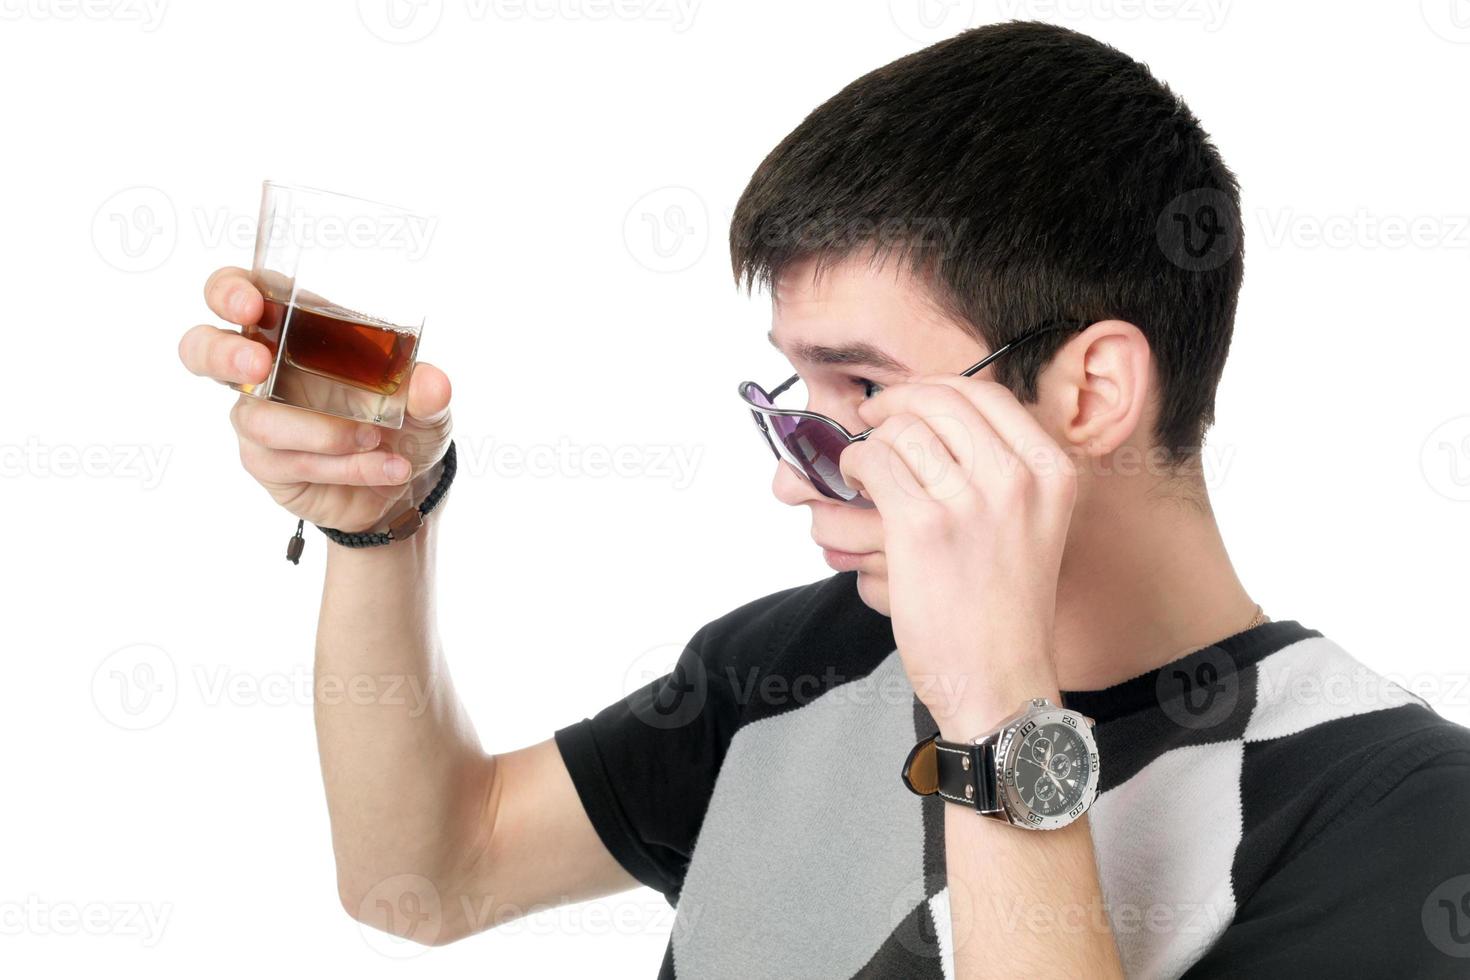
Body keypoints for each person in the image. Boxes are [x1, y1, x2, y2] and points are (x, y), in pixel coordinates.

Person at [178, 21, 1470, 979]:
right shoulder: (806, 662)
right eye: (794, 394)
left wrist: (997, 714)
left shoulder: (1395, 810)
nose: (801, 465)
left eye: (860, 387)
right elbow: (425, 878)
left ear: (1089, 393)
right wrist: (377, 524)